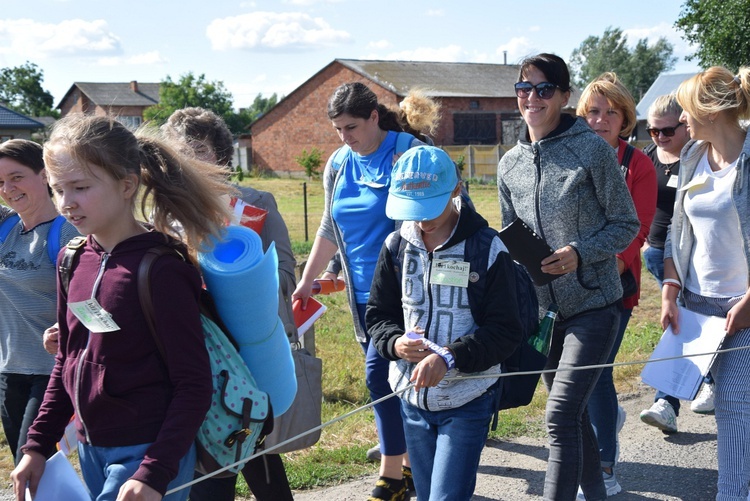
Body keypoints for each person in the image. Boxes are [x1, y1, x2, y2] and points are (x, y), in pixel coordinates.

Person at [10, 114, 236, 501]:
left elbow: (193, 384)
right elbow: (67, 359)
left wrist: (154, 471)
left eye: (80, 187)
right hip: (91, 447)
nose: (67, 203)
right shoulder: (71, 259)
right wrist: (36, 446)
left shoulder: (161, 268)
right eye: (58, 189)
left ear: (127, 184)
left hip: (148, 452)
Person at [496, 53, 639, 501]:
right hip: (543, 316)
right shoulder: (508, 165)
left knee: (559, 417)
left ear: (564, 95)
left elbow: (626, 224)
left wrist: (579, 253)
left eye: (543, 89)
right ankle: (597, 494)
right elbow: (510, 237)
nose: (531, 98)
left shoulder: (592, 150)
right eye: (524, 88)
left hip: (595, 306)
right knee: (574, 418)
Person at [292, 81, 430, 501]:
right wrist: (308, 277)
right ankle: (411, 466)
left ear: (374, 117)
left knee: (380, 376)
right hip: (362, 297)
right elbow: (330, 227)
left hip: (409, 292)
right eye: (337, 130)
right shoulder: (338, 163)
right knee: (394, 378)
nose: (345, 138)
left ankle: (394, 476)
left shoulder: (409, 153)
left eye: (351, 127)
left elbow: (440, 217)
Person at [366, 145, 523, 500]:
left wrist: (449, 357)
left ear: (456, 189)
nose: (422, 220)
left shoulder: (486, 247)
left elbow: (506, 329)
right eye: (412, 209)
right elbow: (378, 314)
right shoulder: (395, 247)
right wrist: (394, 343)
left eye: (430, 207)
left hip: (468, 399)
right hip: (411, 397)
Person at [161, 107, 296, 501]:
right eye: (178, 149)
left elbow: (285, 274)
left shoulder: (256, 203)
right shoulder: (166, 213)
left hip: (248, 350)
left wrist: (242, 285)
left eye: (196, 148)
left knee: (253, 445)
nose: (186, 156)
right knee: (211, 454)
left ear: (220, 154)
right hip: (194, 351)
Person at [662, 65, 750, 500]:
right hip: (698, 305)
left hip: (743, 308)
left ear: (712, 111)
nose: (680, 121)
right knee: (725, 407)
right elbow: (679, 230)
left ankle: (732, 494)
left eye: (685, 111)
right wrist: (670, 287)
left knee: (734, 404)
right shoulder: (693, 156)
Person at [575, 72, 657, 497]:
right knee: (573, 376)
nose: (600, 119)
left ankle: (605, 463)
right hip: (566, 285)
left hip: (614, 287)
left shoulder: (638, 164)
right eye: (592, 111)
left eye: (611, 112)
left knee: (597, 374)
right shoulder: (568, 154)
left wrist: (602, 269)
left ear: (625, 118)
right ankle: (583, 450)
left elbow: (638, 232)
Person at [638, 94, 714, 433]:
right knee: (682, 318)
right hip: (656, 253)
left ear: (685, 124)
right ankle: (704, 382)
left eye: (666, 130)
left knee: (681, 320)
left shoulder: (700, 157)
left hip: (693, 254)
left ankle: (667, 401)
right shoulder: (649, 157)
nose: (660, 138)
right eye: (653, 131)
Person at [0, 139, 79, 464]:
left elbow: (93, 296)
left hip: (51, 372)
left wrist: (67, 327)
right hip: (9, 368)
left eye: (16, 177)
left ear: (45, 174)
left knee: (35, 466)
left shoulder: (66, 232)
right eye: (0, 182)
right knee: (28, 472)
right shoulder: (6, 227)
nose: (8, 188)